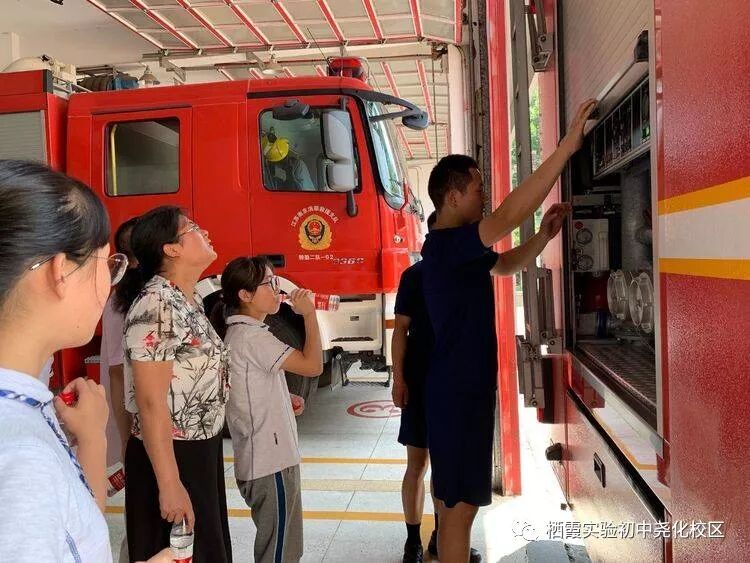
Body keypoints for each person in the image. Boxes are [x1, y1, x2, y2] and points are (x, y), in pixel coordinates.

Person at [420, 100, 596, 563]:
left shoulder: (453, 248)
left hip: (458, 392)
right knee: (459, 512)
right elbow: (508, 215)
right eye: (478, 188)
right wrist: (565, 148)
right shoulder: (448, 245)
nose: (484, 198)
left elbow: (504, 265)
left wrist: (544, 237)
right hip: (458, 394)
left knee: (454, 508)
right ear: (452, 196)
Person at [0, 159, 170, 563]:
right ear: (59, 272)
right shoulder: (22, 457)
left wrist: (92, 440)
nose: (111, 280)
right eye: (106, 262)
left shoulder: (25, 408)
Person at [123, 206, 232, 562]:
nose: (206, 232)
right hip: (171, 457)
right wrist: (169, 484)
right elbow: (150, 402)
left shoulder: (187, 298)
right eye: (194, 228)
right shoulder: (156, 303)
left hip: (199, 453)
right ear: (171, 249)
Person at [393, 211, 483, 563]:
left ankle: (441, 536)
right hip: (419, 381)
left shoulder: (467, 274)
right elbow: (400, 331)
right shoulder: (414, 276)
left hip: (454, 385)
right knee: (417, 463)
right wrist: (399, 379)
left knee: (446, 467)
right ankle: (412, 540)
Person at [221, 256, 323, 563]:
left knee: (284, 549)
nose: (277, 289)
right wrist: (309, 315)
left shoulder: (245, 334)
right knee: (278, 553)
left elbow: (249, 389)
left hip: (269, 460)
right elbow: (313, 365)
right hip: (270, 464)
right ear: (245, 295)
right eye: (269, 283)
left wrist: (283, 397)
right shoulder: (252, 336)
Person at [100, 216, 139, 563]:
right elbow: (117, 376)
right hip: (138, 429)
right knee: (142, 516)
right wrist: (127, 443)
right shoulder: (119, 307)